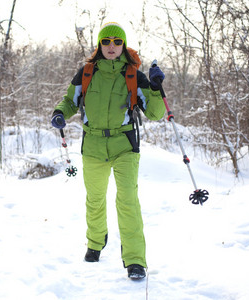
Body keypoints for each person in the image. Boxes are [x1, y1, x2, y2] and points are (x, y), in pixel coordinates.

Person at [51, 22, 166, 280]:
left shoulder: (134, 74)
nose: (111, 46)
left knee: (127, 201)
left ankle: (135, 260)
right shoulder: (86, 72)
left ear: (123, 45)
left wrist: (156, 88)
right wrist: (60, 113)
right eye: (106, 41)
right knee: (95, 199)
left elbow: (156, 113)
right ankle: (94, 243)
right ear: (99, 44)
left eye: (117, 41)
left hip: (124, 145)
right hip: (92, 145)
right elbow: (71, 100)